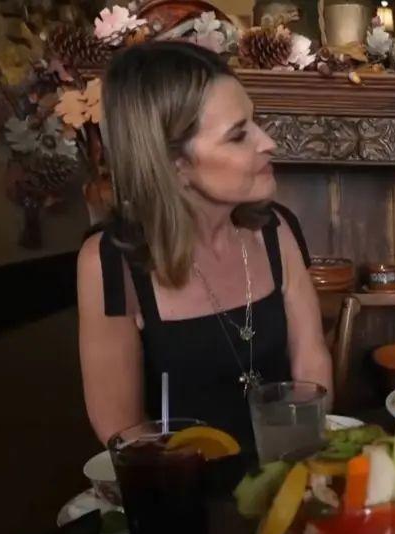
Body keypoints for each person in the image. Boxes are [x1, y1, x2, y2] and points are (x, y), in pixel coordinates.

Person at [77, 41, 332, 458]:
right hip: (180, 492)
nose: (267, 142)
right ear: (174, 165)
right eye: (238, 135)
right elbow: (120, 428)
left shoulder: (276, 228)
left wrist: (292, 473)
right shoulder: (109, 261)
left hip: (285, 474)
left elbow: (310, 364)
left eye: (257, 122)